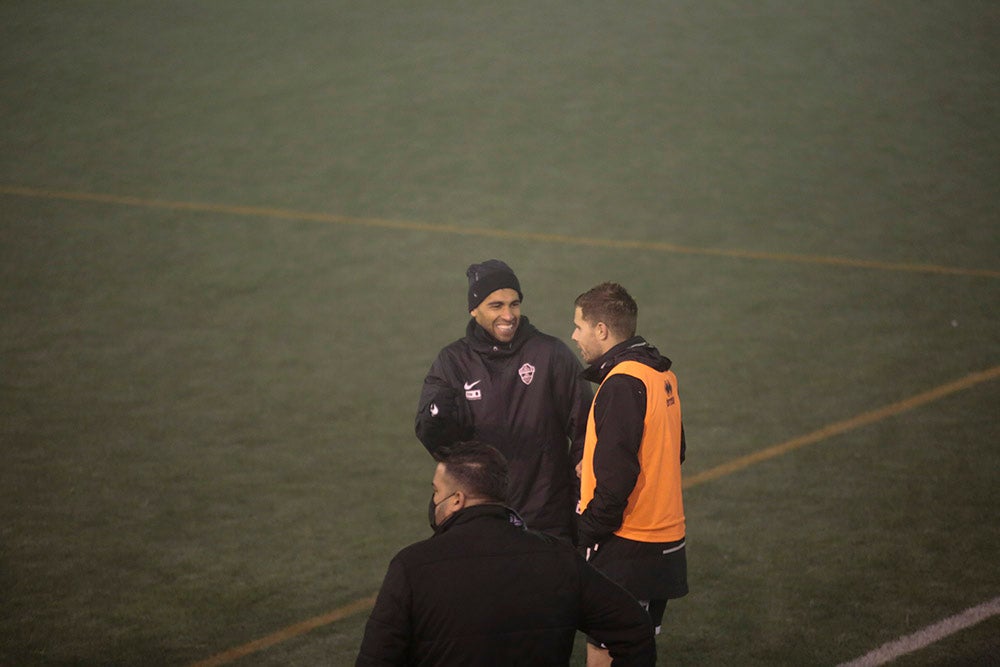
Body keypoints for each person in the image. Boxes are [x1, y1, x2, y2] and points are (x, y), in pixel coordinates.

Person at [355, 441, 656, 666]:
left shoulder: (412, 567)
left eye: (436, 491)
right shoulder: (558, 559)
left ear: (457, 499)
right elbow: (634, 627)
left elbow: (377, 660)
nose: (434, 501)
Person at [414, 259, 593, 541]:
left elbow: (587, 428)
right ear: (474, 310)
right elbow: (438, 442)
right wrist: (437, 424)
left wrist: (576, 493)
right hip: (482, 521)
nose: (509, 315)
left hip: (548, 519)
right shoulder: (453, 363)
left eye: (514, 304)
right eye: (496, 305)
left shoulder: (551, 355)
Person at [570, 282, 689, 667]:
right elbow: (674, 451)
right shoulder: (659, 374)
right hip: (665, 543)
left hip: (628, 545)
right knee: (638, 649)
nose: (574, 335)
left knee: (605, 650)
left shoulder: (621, 383)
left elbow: (617, 481)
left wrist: (587, 530)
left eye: (579, 325)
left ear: (601, 330)